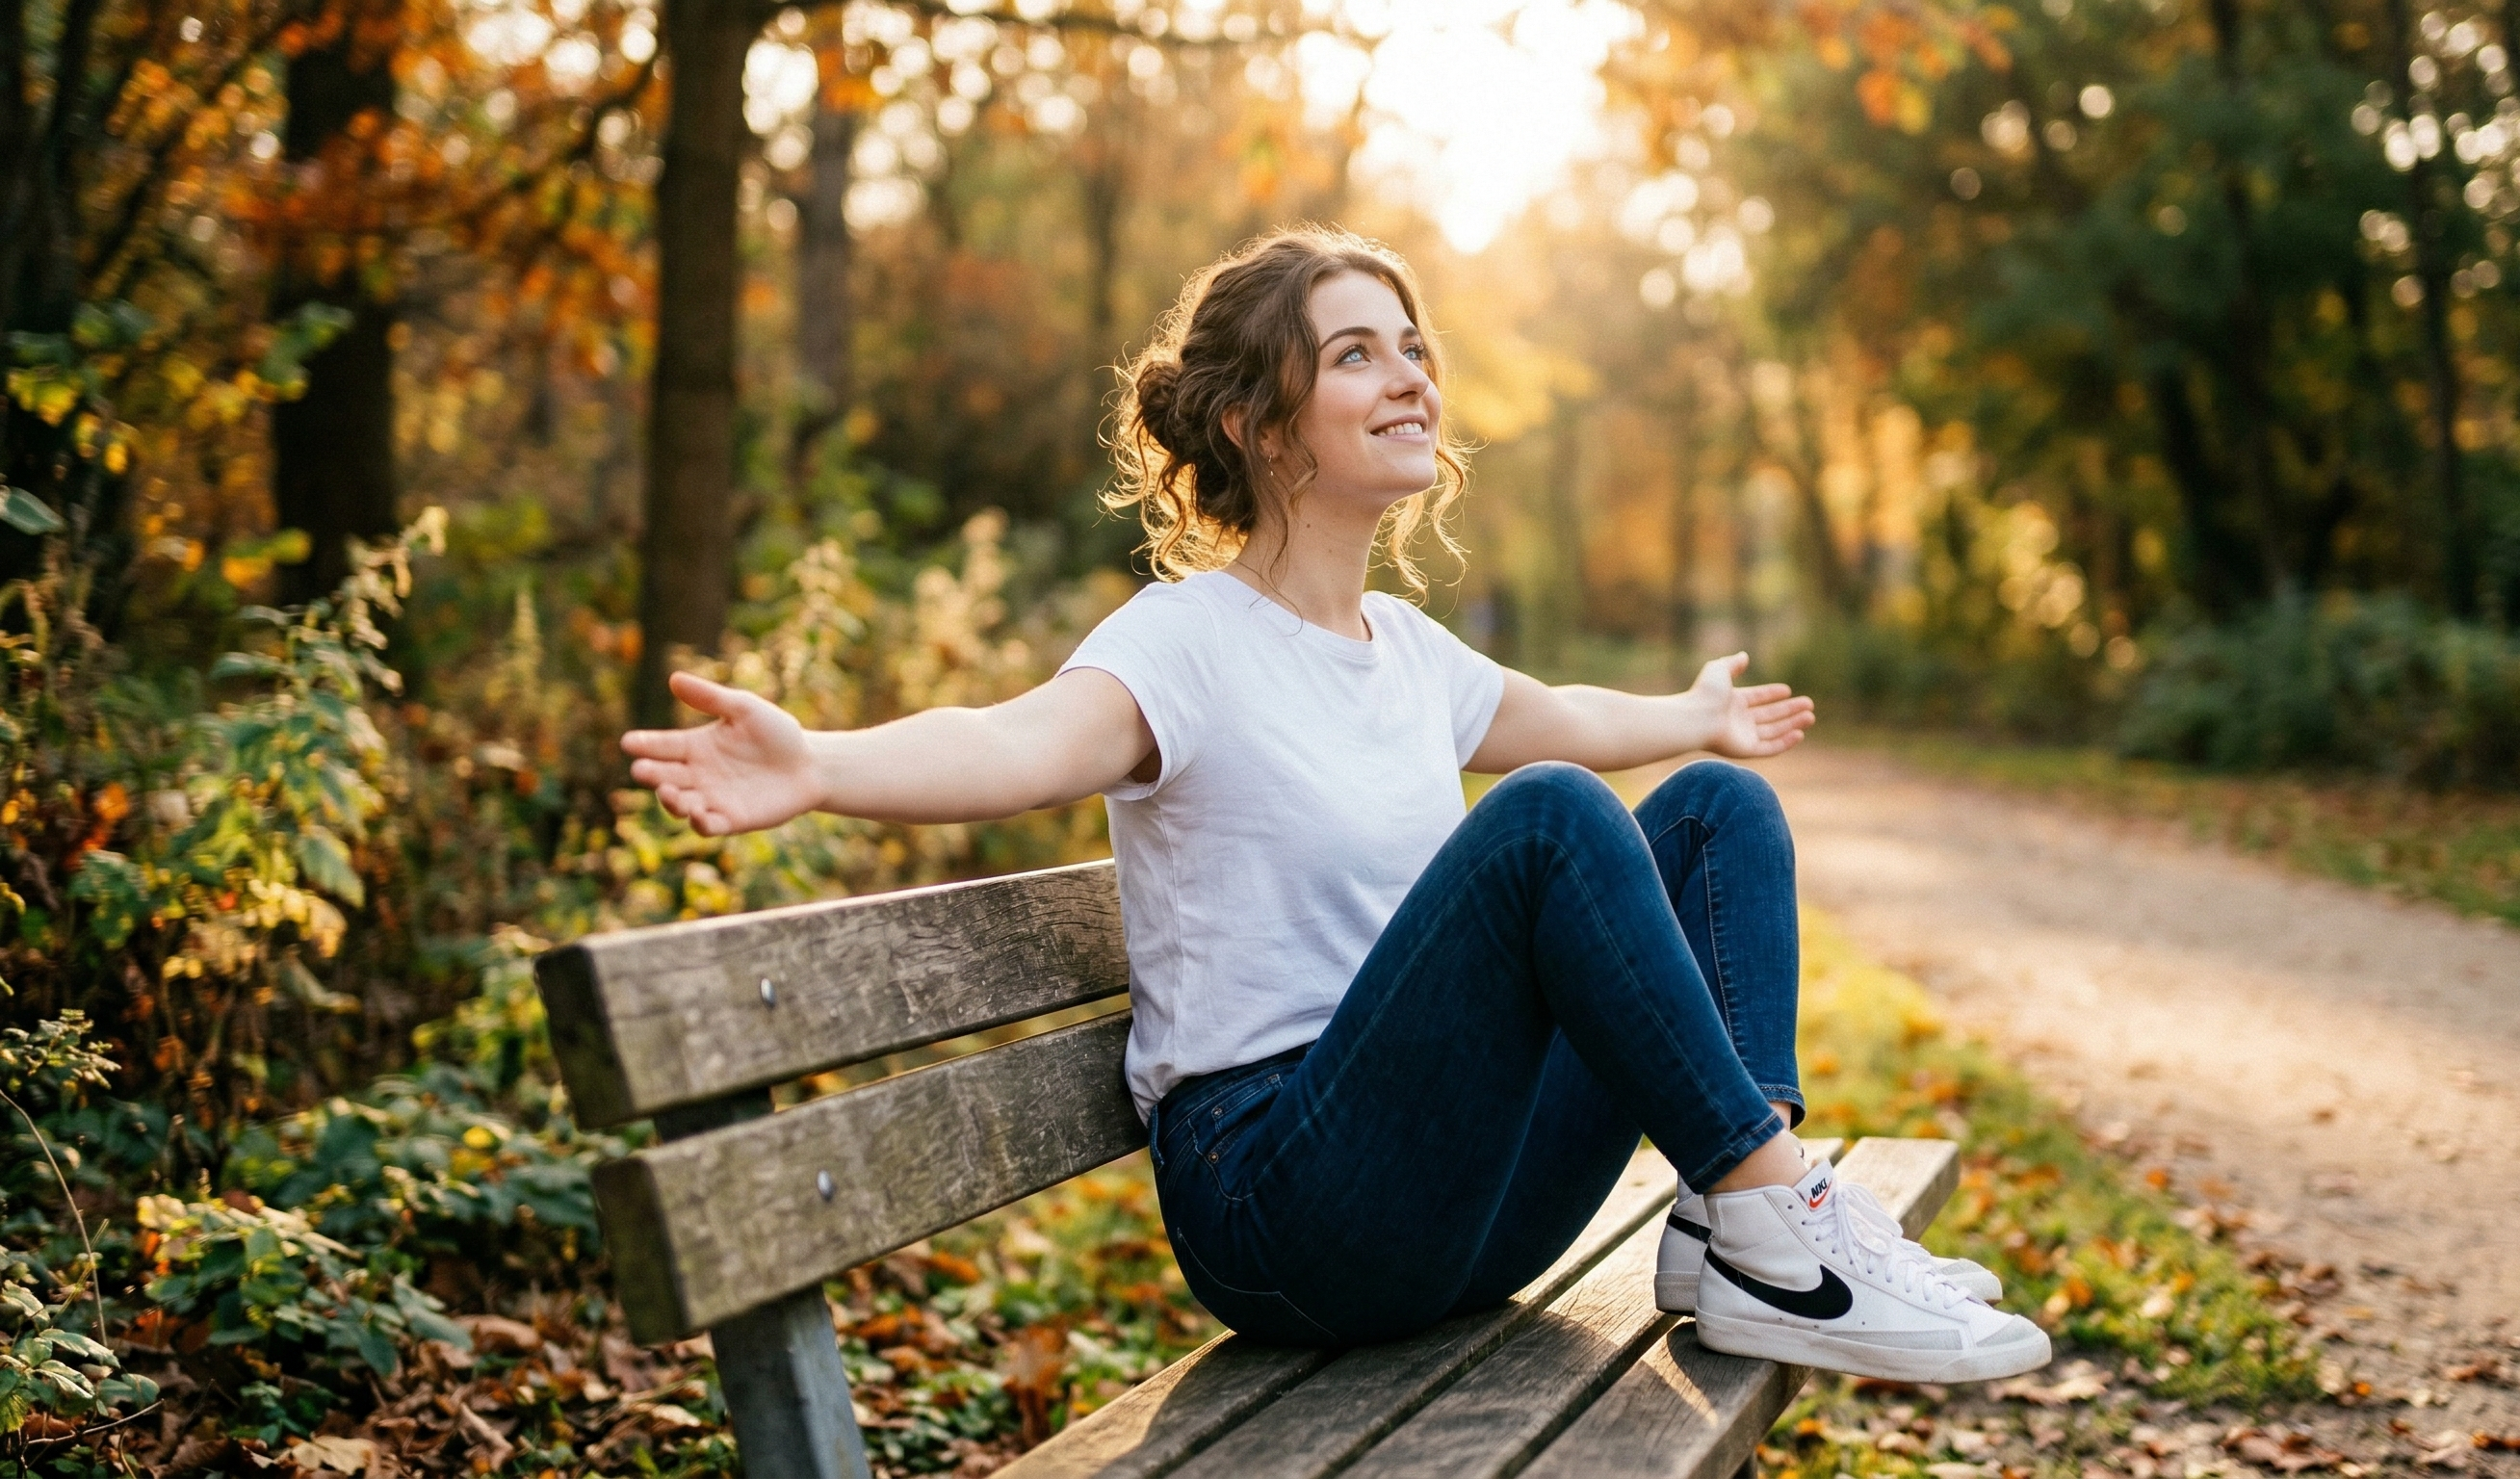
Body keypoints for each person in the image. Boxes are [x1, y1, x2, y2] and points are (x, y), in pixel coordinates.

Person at [621, 226, 2051, 1383]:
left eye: (1415, 348)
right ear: (1261, 424)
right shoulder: (1182, 642)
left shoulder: (1407, 652)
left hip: (1451, 1191)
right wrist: (820, 763)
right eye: (1357, 353)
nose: (1411, 376)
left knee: (1713, 817)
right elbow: (1014, 742)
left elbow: (1568, 716)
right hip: (1284, 1203)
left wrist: (1695, 719)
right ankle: (1787, 1224)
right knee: (1551, 818)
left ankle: (1739, 1229)